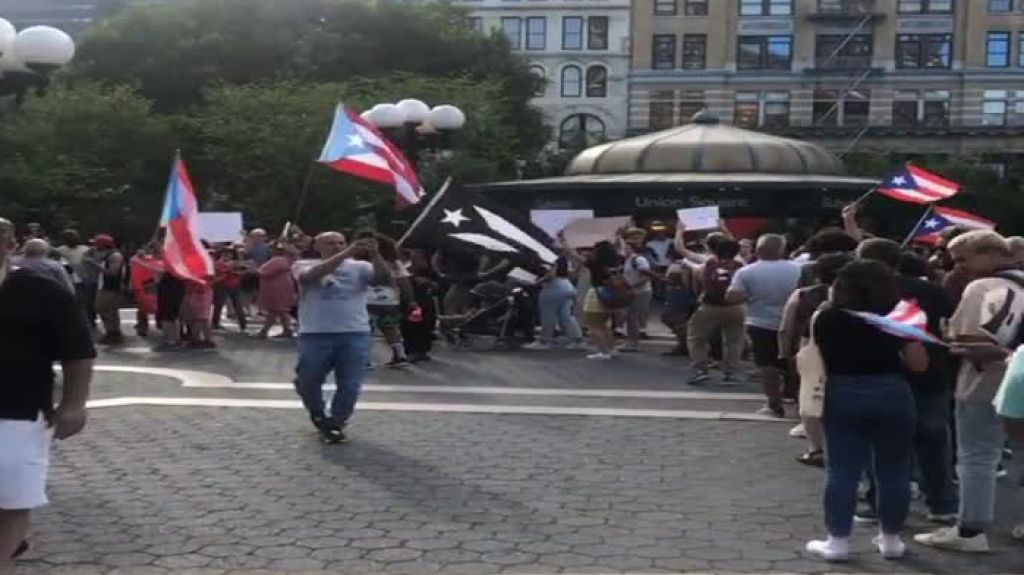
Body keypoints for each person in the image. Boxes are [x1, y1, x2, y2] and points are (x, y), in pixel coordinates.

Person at [805, 260, 929, 562]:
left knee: (842, 470)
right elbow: (918, 364)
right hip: (892, 392)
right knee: (894, 470)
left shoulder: (825, 316)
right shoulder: (900, 315)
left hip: (841, 391)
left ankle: (837, 541)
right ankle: (891, 539)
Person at [915, 230, 1024, 553]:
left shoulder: (983, 287)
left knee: (978, 455)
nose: (959, 267)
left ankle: (970, 530)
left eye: (964, 259)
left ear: (991, 253)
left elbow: (966, 338)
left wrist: (951, 338)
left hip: (987, 382)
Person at [0, 217, 95, 575]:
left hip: (18, 412)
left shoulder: (41, 290)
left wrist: (74, 404)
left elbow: (78, 351)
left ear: (10, 246)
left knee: (11, 497)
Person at [856, 240, 959, 525]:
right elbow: (948, 326)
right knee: (935, 440)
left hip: (881, 373)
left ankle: (879, 502)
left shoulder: (861, 292)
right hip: (932, 371)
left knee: (880, 442)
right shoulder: (931, 290)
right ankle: (942, 503)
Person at [292, 232, 375, 443]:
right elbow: (309, 277)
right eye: (330, 243)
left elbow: (384, 278)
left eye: (341, 243)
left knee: (350, 384)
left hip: (355, 332)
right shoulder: (302, 264)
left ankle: (336, 423)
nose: (337, 247)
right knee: (309, 381)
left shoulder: (360, 267)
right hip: (315, 333)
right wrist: (347, 253)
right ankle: (317, 412)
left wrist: (377, 255)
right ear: (317, 246)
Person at [778, 252, 852, 467]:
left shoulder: (802, 295)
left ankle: (816, 448)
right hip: (847, 354)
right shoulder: (859, 297)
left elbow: (785, 327)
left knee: (811, 397)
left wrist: (784, 353)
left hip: (810, 353)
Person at [725, 234, 801, 416]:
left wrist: (751, 296)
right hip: (794, 323)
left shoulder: (746, 272)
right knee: (795, 362)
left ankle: (773, 402)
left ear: (758, 250)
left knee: (767, 364)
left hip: (760, 322)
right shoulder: (799, 269)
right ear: (782, 250)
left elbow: (732, 297)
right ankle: (798, 399)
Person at [685, 233, 745, 385]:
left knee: (696, 337)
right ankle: (731, 373)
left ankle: (700, 369)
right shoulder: (741, 265)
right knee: (734, 341)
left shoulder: (708, 264)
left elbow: (696, 282)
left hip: (710, 306)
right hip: (736, 307)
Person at [564, 237, 625, 360]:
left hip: (597, 294)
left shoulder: (594, 264)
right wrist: (619, 238)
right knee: (604, 325)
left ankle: (603, 351)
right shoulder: (617, 262)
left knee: (594, 325)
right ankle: (611, 349)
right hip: (612, 295)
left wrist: (563, 241)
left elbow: (572, 254)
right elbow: (620, 249)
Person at [524, 256, 584, 350]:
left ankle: (544, 341)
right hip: (567, 286)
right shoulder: (564, 261)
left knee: (548, 316)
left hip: (553, 288)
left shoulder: (551, 261)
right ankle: (578, 340)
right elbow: (573, 274)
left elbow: (551, 275)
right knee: (566, 316)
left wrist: (537, 282)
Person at [401, 250, 439, 362]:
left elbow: (438, 286)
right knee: (412, 325)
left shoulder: (430, 271)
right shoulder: (406, 269)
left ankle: (422, 351)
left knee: (426, 325)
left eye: (420, 258)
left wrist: (428, 282)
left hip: (426, 301)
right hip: (413, 301)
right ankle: (411, 351)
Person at [620, 229, 654, 353]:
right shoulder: (627, 260)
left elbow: (646, 276)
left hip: (641, 292)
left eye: (627, 248)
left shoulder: (639, 260)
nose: (624, 250)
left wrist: (632, 285)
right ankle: (630, 341)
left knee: (633, 317)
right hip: (632, 292)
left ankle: (632, 342)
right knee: (630, 317)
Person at [255, 243, 297, 339]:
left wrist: (255, 270)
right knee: (281, 310)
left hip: (277, 287)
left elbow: (266, 272)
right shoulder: (287, 260)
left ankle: (264, 332)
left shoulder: (278, 260)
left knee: (275, 310)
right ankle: (287, 330)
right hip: (281, 285)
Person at [90, 235, 126, 345]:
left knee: (108, 310)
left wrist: (94, 264)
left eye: (96, 245)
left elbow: (113, 272)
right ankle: (111, 332)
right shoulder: (108, 255)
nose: (94, 247)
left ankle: (113, 333)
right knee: (104, 309)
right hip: (106, 287)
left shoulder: (115, 256)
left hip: (111, 287)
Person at [212, 247, 250, 332]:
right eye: (225, 254)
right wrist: (229, 270)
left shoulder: (237, 263)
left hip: (235, 285)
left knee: (238, 305)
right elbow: (218, 271)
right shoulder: (219, 263)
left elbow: (245, 271)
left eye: (230, 254)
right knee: (219, 305)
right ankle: (215, 323)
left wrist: (235, 271)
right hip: (221, 285)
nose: (228, 256)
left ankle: (243, 325)